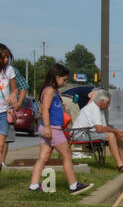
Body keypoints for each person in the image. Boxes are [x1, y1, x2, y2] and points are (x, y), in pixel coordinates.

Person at [26, 63, 92, 195]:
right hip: (53, 128)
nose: (65, 82)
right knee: (66, 154)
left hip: (49, 127)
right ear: (56, 77)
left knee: (43, 157)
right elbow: (44, 109)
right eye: (64, 79)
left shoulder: (50, 91)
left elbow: (43, 108)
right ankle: (73, 185)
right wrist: (48, 127)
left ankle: (34, 185)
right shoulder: (50, 91)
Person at [74, 89, 123, 173]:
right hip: (80, 134)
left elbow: (104, 127)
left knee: (115, 135)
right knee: (110, 136)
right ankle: (120, 165)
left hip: (89, 132)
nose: (109, 105)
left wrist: (117, 131)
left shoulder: (99, 109)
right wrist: (114, 131)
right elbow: (100, 129)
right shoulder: (94, 108)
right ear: (102, 101)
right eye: (108, 103)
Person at [0, 43, 27, 177]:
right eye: (3, 57)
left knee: (2, 144)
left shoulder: (11, 70)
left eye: (8, 58)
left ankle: (2, 165)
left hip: (4, 111)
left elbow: (22, 87)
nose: (6, 60)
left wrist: (17, 102)